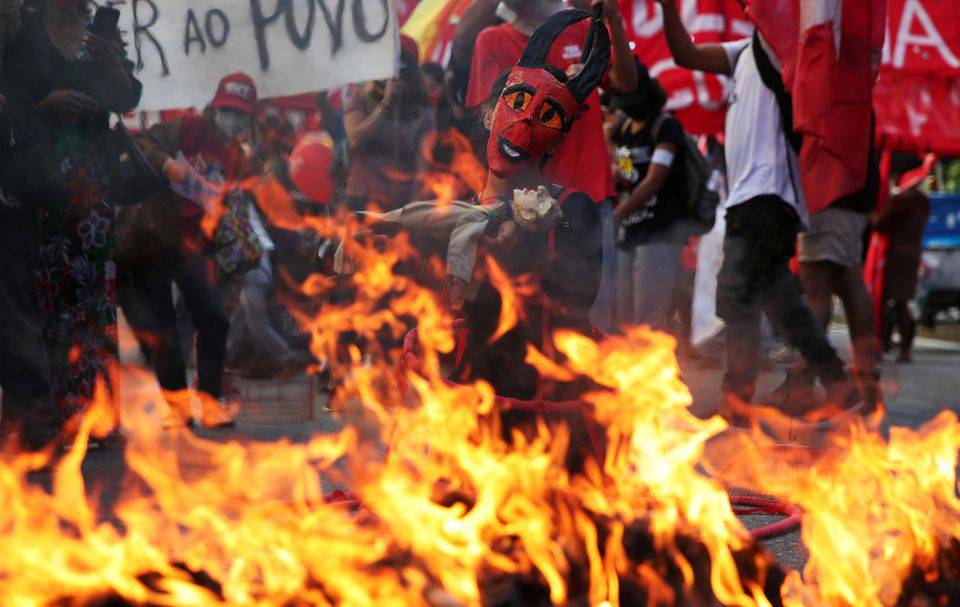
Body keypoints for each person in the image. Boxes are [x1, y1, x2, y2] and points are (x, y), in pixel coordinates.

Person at [656, 0, 860, 417]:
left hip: (772, 193)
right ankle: (751, 396)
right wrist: (666, 8)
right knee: (749, 297)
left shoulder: (785, 50)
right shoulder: (744, 50)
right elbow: (686, 55)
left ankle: (823, 387)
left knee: (761, 294)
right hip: (745, 198)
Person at [2, 0, 140, 442]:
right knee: (41, 302)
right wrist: (48, 103)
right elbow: (9, 99)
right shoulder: (23, 27)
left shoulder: (99, 27)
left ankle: (95, 420)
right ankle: (45, 421)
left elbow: (127, 98)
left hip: (92, 191)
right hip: (37, 182)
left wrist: (110, 60)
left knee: (93, 302)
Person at [465, 0, 639, 335]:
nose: (526, 120)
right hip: (511, 193)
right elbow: (497, 120)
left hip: (581, 192)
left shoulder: (587, 29)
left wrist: (613, 19)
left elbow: (626, 84)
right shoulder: (493, 39)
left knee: (580, 325)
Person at [124, 72, 257, 428]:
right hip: (152, 237)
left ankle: (210, 402)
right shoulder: (191, 128)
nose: (232, 119)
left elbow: (223, 206)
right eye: (228, 110)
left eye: (240, 113)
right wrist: (168, 165)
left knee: (213, 317)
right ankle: (179, 408)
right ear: (215, 108)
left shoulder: (236, 157)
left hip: (192, 245)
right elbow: (142, 143)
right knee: (163, 331)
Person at [0, 0, 59, 452]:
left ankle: (36, 434)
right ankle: (28, 432)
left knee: (14, 320)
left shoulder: (28, 27)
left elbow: (41, 80)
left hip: (10, 201)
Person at [794, 145, 882, 405]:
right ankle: (865, 379)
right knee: (847, 277)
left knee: (816, 288)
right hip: (849, 183)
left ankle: (803, 381)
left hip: (829, 185)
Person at [609, 65, 693, 332]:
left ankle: (653, 369)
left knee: (648, 316)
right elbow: (610, 154)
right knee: (623, 311)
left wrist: (618, 213)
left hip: (659, 231)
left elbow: (654, 180)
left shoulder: (666, 126)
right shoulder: (623, 127)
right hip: (628, 231)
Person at [343, 35, 436, 212]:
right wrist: (385, 105)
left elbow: (422, 170)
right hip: (362, 200)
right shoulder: (361, 98)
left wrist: (411, 211)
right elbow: (355, 141)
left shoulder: (423, 113)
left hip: (397, 206)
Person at [875, 154, 931, 364]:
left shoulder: (900, 199)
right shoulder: (922, 200)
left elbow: (879, 223)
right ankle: (905, 350)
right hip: (912, 253)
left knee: (883, 301)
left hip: (893, 255)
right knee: (903, 303)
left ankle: (880, 345)